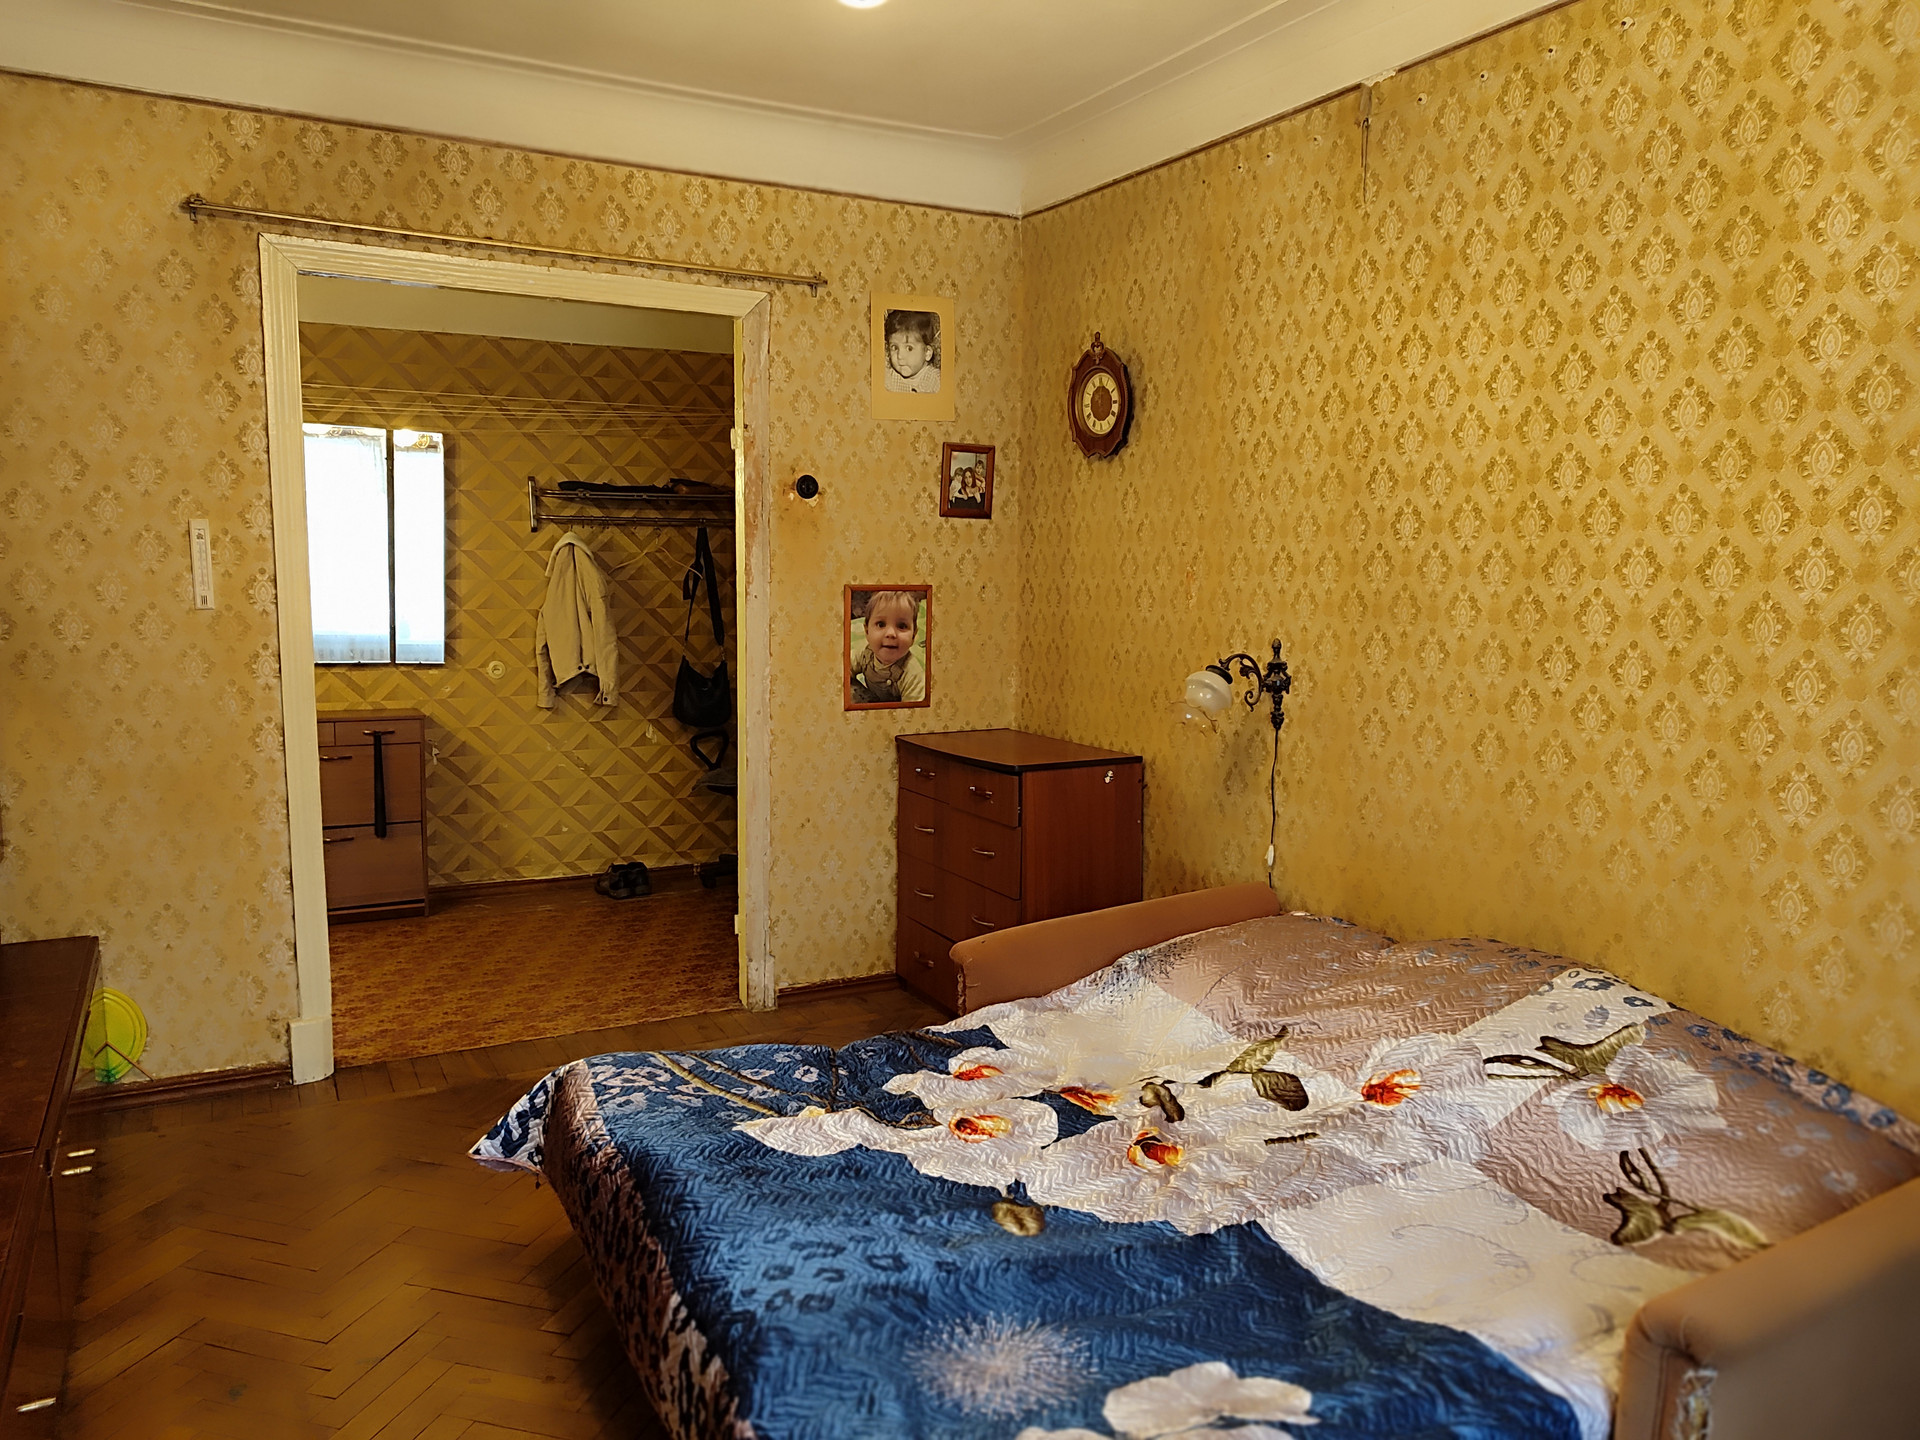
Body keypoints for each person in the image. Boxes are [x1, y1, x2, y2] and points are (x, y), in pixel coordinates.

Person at [849, 591, 926, 704]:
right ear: (867, 631)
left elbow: (914, 712)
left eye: (902, 626)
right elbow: (841, 669)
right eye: (881, 624)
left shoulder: (913, 677)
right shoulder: (866, 653)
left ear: (913, 636)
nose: (891, 633)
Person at [883, 310, 941, 394]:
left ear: (927, 353)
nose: (900, 356)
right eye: (895, 347)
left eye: (909, 348)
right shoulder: (889, 379)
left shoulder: (936, 382)